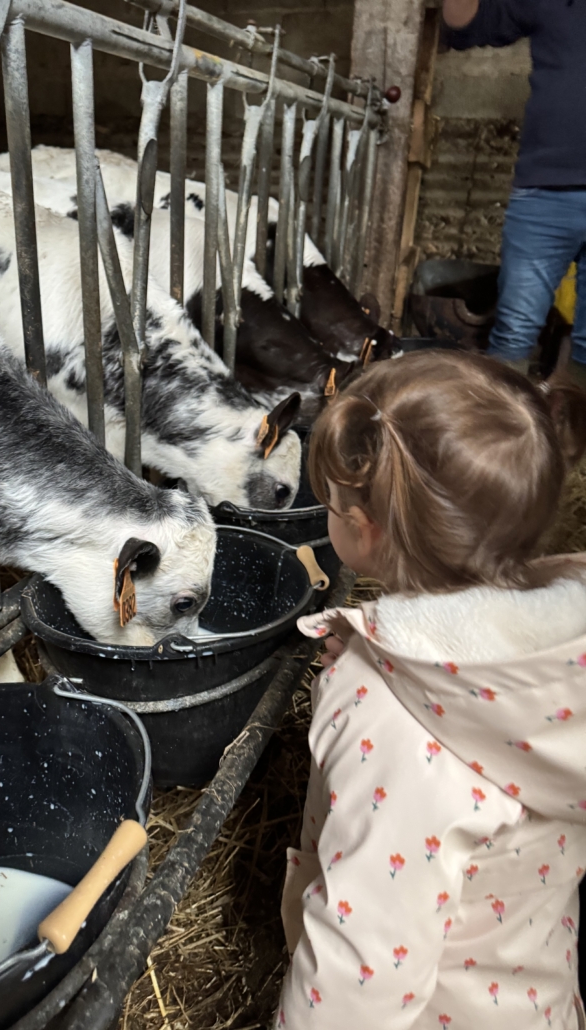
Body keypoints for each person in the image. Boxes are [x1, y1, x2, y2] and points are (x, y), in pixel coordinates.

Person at [275, 350, 586, 1029]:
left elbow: (361, 974)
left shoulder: (388, 724)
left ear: (364, 529)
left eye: (331, 503)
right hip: (534, 996)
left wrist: (372, 686)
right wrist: (386, 654)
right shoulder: (556, 669)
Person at [442, 0, 586, 386]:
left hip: (542, 193)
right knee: (513, 333)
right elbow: (464, 25)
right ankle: (502, 421)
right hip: (544, 193)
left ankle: (574, 423)